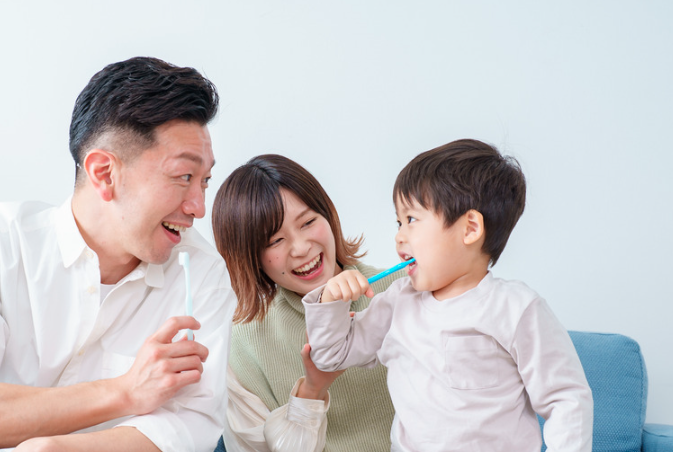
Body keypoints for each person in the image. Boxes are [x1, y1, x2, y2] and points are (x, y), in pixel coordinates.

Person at [0, 57, 237, 451]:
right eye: (183, 177)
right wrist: (124, 392)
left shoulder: (203, 274)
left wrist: (56, 449)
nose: (199, 207)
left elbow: (191, 426)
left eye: (205, 181)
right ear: (104, 174)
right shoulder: (8, 245)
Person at [303, 139, 594, 451]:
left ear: (469, 229)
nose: (399, 235)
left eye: (411, 220)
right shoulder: (396, 302)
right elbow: (330, 356)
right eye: (398, 222)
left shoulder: (516, 309)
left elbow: (567, 400)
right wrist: (330, 301)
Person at [211, 154, 404, 451]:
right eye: (275, 241)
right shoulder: (241, 347)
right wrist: (313, 389)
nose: (301, 249)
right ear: (250, 256)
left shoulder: (401, 289)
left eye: (308, 222)